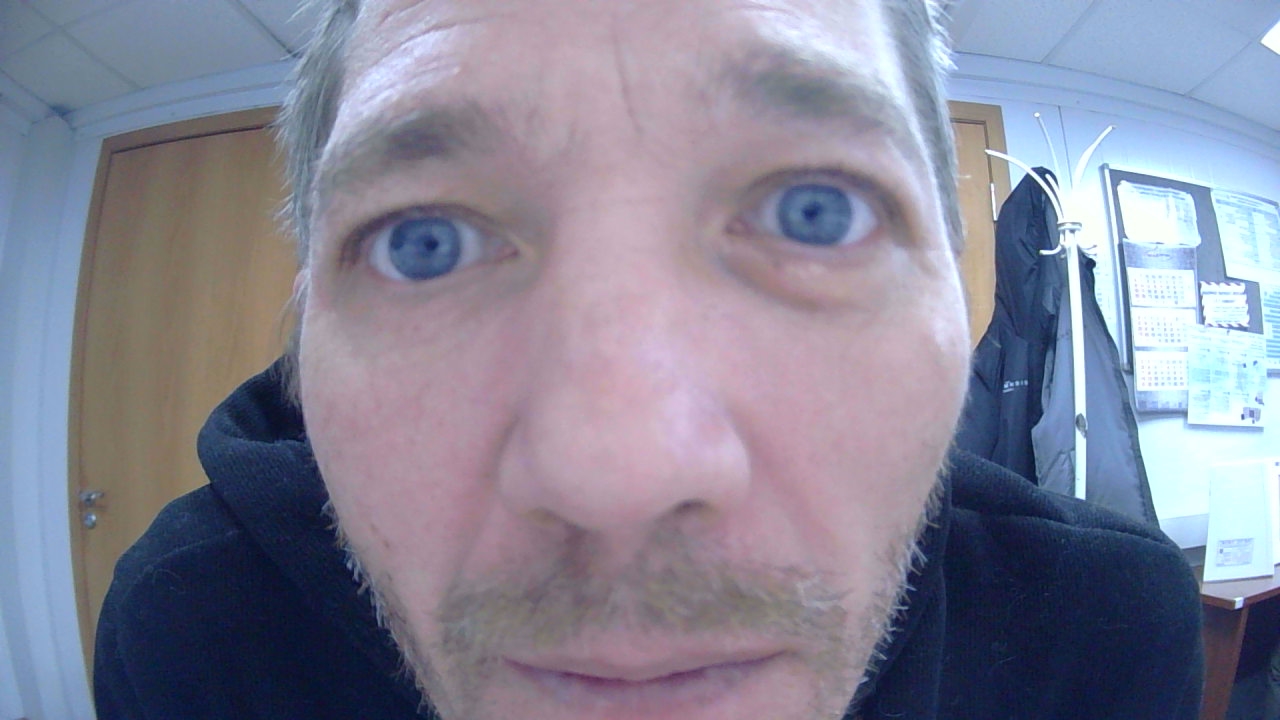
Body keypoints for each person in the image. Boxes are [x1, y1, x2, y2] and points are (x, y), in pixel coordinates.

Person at [92, 0, 1204, 718]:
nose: (617, 479)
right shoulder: (193, 634)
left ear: (956, 294)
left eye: (816, 211)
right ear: (304, 340)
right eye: (422, 241)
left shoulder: (1100, 634)